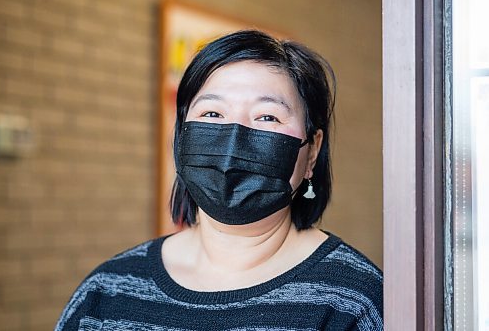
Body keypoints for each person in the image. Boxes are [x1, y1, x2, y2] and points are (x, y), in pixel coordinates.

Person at [55, 30, 383, 331]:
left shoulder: (355, 300)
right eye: (212, 114)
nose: (233, 138)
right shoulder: (106, 291)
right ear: (183, 134)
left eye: (267, 117)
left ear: (312, 151)